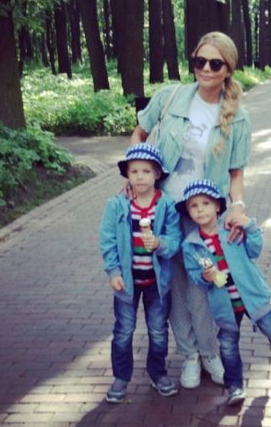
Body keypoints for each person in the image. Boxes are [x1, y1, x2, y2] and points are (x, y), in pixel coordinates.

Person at [130, 31, 252, 389]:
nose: (206, 69)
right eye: (200, 61)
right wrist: (134, 175)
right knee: (173, 288)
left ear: (228, 69)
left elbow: (236, 173)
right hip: (164, 212)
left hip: (202, 216)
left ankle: (210, 352)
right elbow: (138, 135)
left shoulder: (238, 118)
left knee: (204, 286)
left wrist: (238, 207)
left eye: (215, 63)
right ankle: (190, 354)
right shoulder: (170, 97)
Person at [177, 179, 271, 406]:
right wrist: (205, 277)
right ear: (188, 211)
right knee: (227, 345)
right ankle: (235, 386)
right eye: (194, 206)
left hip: (252, 296)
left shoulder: (232, 230)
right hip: (224, 305)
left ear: (217, 206)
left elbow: (255, 249)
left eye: (205, 203)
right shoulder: (190, 245)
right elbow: (195, 275)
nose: (200, 209)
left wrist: (249, 225)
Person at [100, 143, 181, 403]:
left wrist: (160, 244)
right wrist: (113, 271)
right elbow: (108, 240)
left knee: (158, 330)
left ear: (157, 174)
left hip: (157, 282)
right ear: (127, 174)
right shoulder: (117, 205)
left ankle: (158, 372)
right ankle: (121, 377)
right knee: (124, 330)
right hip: (127, 281)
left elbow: (174, 239)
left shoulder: (166, 205)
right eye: (134, 171)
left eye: (146, 171)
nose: (140, 177)